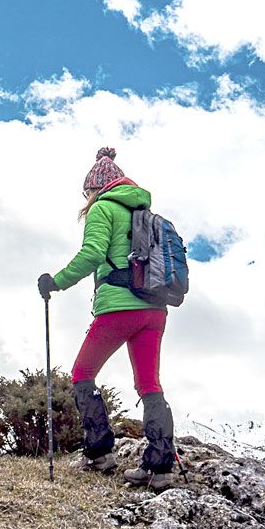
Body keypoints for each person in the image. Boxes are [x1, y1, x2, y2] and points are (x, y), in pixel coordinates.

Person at [37, 148, 176, 490]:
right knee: (149, 384)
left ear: (94, 189)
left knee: (82, 374)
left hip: (117, 307)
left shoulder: (103, 208)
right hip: (154, 309)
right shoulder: (144, 212)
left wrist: (56, 282)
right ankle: (160, 469)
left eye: (86, 193)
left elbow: (92, 254)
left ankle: (99, 454)